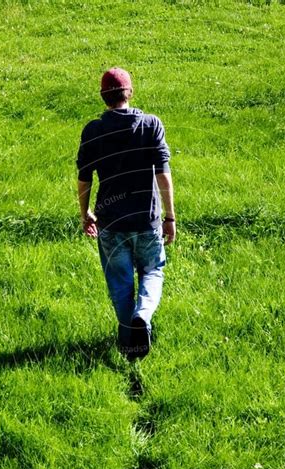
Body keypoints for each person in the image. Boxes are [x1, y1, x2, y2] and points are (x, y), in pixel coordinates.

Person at [76, 67, 175, 360]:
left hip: (111, 222)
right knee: (152, 271)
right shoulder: (151, 125)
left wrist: (86, 213)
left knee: (120, 282)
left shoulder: (93, 130)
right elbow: (163, 174)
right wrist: (170, 217)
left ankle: (128, 343)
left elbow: (84, 178)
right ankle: (142, 317)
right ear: (129, 92)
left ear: (103, 97)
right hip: (147, 220)